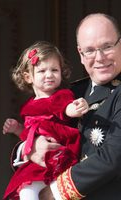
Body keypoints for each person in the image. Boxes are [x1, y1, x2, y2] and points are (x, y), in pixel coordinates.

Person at [22, 13, 121, 200]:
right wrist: (31, 147)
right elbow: (36, 120)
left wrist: (55, 191)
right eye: (90, 50)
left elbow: (114, 157)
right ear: (80, 54)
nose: (99, 57)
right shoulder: (71, 92)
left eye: (107, 47)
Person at [2, 41, 89, 200]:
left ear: (61, 73)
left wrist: (75, 109)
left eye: (54, 70)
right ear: (28, 77)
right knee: (27, 191)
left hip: (59, 154)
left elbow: (65, 109)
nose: (49, 75)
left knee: (42, 192)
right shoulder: (29, 106)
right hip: (38, 162)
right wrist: (17, 129)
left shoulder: (62, 96)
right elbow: (30, 136)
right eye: (42, 70)